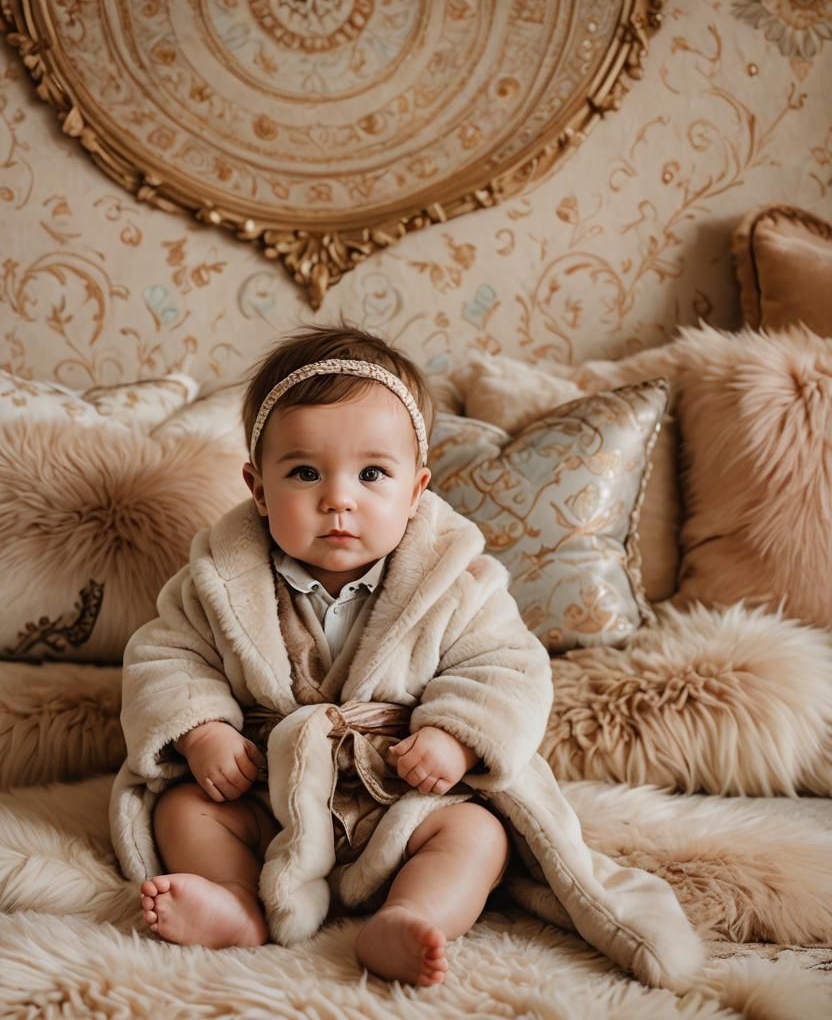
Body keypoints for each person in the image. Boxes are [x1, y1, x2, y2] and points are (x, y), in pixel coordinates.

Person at [110, 325, 703, 990]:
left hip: (400, 790)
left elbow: (506, 668)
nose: (338, 497)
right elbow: (168, 658)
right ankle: (236, 900)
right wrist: (202, 733)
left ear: (416, 489)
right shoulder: (218, 581)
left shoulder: (457, 582)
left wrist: (454, 738)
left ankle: (410, 916)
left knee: (479, 837)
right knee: (183, 809)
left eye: (372, 474)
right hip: (267, 790)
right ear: (256, 488)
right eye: (304, 472)